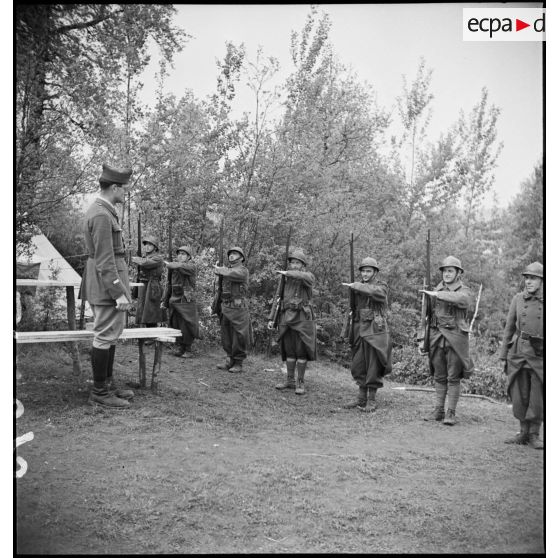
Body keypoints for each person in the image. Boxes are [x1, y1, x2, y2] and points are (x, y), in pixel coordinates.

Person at [80, 163, 135, 408]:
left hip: (105, 283)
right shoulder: (102, 214)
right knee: (104, 334)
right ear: (114, 187)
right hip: (106, 286)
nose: (125, 193)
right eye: (124, 189)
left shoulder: (104, 210)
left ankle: (107, 385)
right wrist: (118, 292)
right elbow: (104, 258)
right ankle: (99, 392)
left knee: (110, 335)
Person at [420, 256, 474, 425]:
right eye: (444, 270)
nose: (446, 274)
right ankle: (438, 410)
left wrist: (437, 294)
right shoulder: (434, 289)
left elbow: (463, 301)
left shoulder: (464, 290)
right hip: (436, 337)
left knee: (453, 377)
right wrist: (422, 337)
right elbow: (426, 316)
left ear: (458, 273)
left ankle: (450, 412)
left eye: (450, 270)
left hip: (455, 338)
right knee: (439, 376)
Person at [499, 262, 544, 450]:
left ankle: (534, 434)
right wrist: (503, 354)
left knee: (537, 396)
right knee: (519, 394)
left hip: (540, 353)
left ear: (542, 280)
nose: (528, 281)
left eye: (533, 278)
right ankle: (523, 432)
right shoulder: (518, 299)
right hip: (518, 351)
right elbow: (509, 328)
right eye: (526, 278)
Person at [342, 257, 392, 412]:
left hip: (375, 331)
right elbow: (352, 310)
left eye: (368, 271)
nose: (365, 273)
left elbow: (377, 293)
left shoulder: (381, 286)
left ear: (375, 272)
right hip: (358, 329)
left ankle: (371, 400)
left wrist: (355, 285)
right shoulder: (356, 288)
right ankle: (361, 398)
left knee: (373, 365)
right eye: (363, 271)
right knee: (358, 365)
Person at [269, 248, 317, 395]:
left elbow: (307, 278)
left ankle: (300, 382)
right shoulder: (285, 278)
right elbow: (278, 298)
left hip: (302, 318)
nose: (294, 265)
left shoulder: (307, 276)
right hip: (286, 317)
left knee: (301, 351)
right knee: (289, 349)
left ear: (303, 265)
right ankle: (289, 380)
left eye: (298, 263)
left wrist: (287, 273)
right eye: (292, 263)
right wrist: (272, 318)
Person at [214, 246, 251, 373]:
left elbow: (233, 274)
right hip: (226, 306)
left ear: (241, 258)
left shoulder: (242, 270)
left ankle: (238, 362)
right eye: (230, 254)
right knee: (226, 335)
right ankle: (229, 359)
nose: (231, 256)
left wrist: (220, 270)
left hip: (238, 308)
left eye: (235, 254)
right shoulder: (226, 270)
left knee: (239, 335)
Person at [161, 245, 201, 358]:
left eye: (183, 254)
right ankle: (180, 347)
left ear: (189, 257)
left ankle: (188, 348)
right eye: (179, 253)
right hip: (174, 299)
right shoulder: (172, 267)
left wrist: (171, 265)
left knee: (187, 325)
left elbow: (181, 267)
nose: (180, 256)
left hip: (186, 300)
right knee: (176, 323)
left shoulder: (191, 266)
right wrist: (165, 301)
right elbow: (168, 284)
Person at [131, 235, 164, 328]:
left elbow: (145, 263)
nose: (147, 246)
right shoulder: (145, 257)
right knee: (143, 314)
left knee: (151, 314)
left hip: (152, 287)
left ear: (155, 247)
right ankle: (145, 339)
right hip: (144, 286)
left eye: (150, 244)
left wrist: (138, 259)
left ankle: (151, 340)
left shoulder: (158, 258)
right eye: (146, 244)